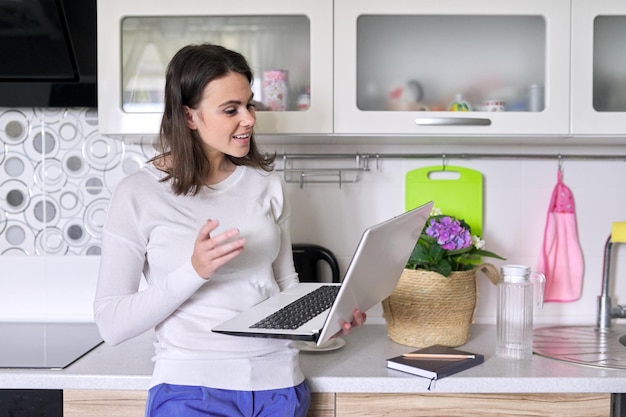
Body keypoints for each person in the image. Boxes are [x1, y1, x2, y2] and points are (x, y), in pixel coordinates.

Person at [93, 43, 366, 417]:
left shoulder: (264, 184)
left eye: (249, 104)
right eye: (231, 109)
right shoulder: (138, 194)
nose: (250, 119)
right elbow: (112, 324)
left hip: (280, 389)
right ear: (189, 116)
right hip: (191, 391)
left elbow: (286, 287)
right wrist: (194, 271)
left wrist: (325, 323)